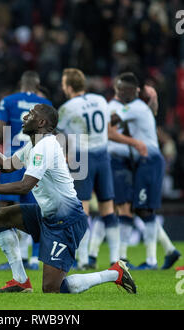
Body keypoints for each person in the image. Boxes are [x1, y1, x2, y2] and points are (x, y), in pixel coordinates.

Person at [0, 103, 137, 294]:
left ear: (41, 122)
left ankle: (114, 273)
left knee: (51, 288)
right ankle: (20, 281)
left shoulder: (46, 146)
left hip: (67, 222)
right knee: (0, 217)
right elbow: (6, 165)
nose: (25, 118)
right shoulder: (34, 145)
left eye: (30, 115)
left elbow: (24, 186)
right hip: (48, 215)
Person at [108, 74, 181, 270]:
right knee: (141, 208)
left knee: (145, 208)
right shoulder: (139, 107)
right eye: (120, 90)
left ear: (135, 91)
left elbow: (110, 124)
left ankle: (151, 261)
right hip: (146, 160)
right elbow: (149, 113)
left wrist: (99, 121)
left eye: (125, 90)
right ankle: (169, 251)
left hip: (149, 159)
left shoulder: (133, 107)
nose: (122, 94)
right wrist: (154, 101)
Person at [57, 68, 124, 269]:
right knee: (108, 209)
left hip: (82, 157)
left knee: (82, 210)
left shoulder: (67, 107)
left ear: (69, 86)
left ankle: (84, 260)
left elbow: (58, 134)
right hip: (103, 156)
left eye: (63, 83)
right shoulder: (101, 100)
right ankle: (116, 259)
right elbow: (112, 121)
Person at [0, 71, 52, 271]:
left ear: (20, 84)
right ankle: (35, 258)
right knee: (37, 209)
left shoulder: (7, 101)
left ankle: (17, 260)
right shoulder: (44, 104)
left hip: (13, 160)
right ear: (37, 85)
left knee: (8, 211)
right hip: (37, 159)